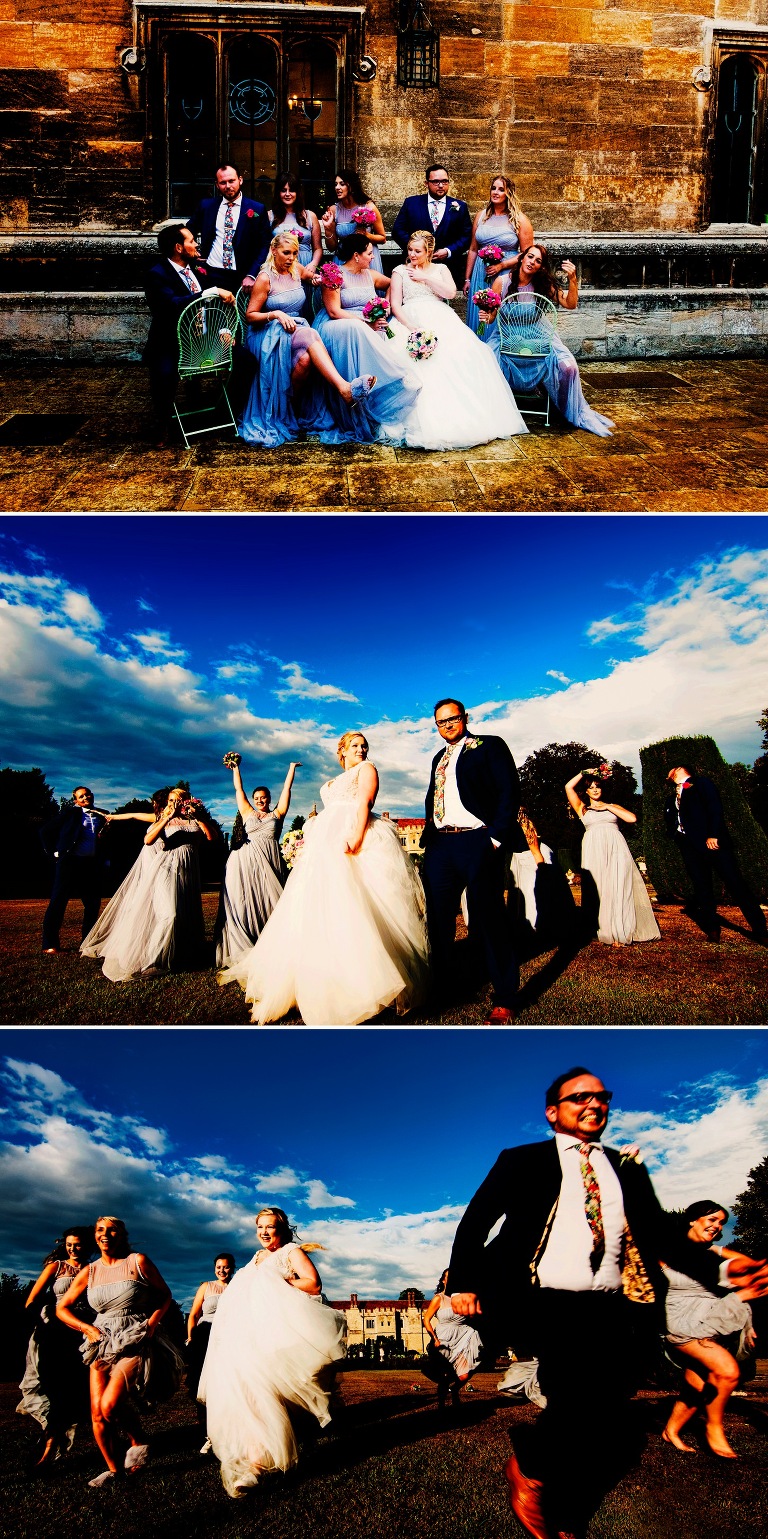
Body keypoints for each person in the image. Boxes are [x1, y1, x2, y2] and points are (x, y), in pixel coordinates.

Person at [447, 1066, 667, 1539]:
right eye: (579, 1097)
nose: (594, 1103)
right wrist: (461, 1283)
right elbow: (475, 1222)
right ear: (553, 1112)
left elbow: (658, 1231)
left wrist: (726, 1268)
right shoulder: (522, 1160)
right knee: (573, 1397)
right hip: (542, 1297)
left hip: (609, 1303)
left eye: (601, 1096)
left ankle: (534, 1460)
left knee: (603, 1405)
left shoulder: (624, 1167)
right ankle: (551, 1497)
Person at [219, 730, 430, 1024]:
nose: (362, 749)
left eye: (364, 745)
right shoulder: (335, 780)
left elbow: (365, 803)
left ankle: (363, 982)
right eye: (355, 745)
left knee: (355, 904)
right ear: (341, 750)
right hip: (324, 844)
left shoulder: (367, 769)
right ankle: (312, 977)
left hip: (352, 837)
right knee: (318, 906)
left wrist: (355, 838)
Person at [198, 1207, 346, 1497]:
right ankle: (258, 1459)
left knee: (261, 1395)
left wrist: (279, 1282)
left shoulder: (290, 1251)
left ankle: (256, 1466)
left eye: (270, 1227)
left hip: (275, 1336)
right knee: (248, 1397)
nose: (265, 1232)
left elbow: (313, 1284)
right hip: (248, 1337)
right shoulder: (256, 1258)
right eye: (260, 1227)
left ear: (282, 1228)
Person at [56, 1215, 183, 1487]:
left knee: (110, 1404)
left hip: (134, 1335)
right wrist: (87, 1329)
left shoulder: (138, 1261)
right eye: (100, 1230)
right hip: (100, 1339)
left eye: (112, 1231)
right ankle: (115, 1471)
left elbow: (165, 1295)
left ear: (122, 1236)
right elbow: (61, 1308)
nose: (105, 1234)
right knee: (97, 1414)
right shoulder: (89, 1271)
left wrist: (151, 1324)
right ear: (95, 1236)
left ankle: (138, 1441)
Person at [422, 698, 520, 1025]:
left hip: (477, 839)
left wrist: (494, 837)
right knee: (437, 922)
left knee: (487, 918)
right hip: (441, 844)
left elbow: (509, 790)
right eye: (441, 722)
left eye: (453, 719)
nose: (447, 725)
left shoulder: (489, 746)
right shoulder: (438, 757)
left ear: (465, 717)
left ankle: (505, 996)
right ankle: (445, 989)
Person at [388, 230, 527, 449]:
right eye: (410, 250)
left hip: (439, 316)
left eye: (417, 251)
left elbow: (450, 293)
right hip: (409, 319)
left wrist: (425, 277)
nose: (412, 255)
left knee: (465, 354)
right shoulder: (399, 271)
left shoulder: (440, 269)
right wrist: (411, 327)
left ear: (429, 252)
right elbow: (395, 304)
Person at [239, 232, 377, 447]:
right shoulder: (265, 278)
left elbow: (313, 278)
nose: (291, 258)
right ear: (273, 251)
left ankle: (289, 408)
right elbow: (250, 316)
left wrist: (323, 278)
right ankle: (343, 388)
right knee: (310, 333)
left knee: (304, 360)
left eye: (295, 253)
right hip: (268, 333)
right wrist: (275, 314)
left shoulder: (296, 269)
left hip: (294, 331)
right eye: (286, 253)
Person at [660, 1200, 768, 1459]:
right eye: (711, 1220)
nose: (717, 1226)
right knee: (727, 1372)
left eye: (720, 1222)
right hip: (681, 1324)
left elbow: (750, 1266)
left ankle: (671, 1431)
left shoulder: (713, 1254)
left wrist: (720, 1251)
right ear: (693, 1219)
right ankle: (714, 1428)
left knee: (696, 1387)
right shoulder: (666, 1249)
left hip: (709, 1321)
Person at [80, 785, 215, 980]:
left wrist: (200, 818)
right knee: (169, 914)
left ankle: (182, 953)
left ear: (188, 800)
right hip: (166, 868)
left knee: (187, 912)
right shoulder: (162, 819)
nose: (175, 803)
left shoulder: (195, 819)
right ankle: (154, 961)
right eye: (171, 800)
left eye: (179, 799)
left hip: (190, 870)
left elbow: (211, 837)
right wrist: (167, 817)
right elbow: (148, 840)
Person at [482, 244, 615, 437]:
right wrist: (487, 316)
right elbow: (492, 316)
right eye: (530, 257)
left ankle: (563, 407)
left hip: (537, 334)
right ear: (522, 258)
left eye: (538, 261)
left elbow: (570, 304)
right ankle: (494, 410)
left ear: (541, 267)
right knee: (485, 362)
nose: (532, 262)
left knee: (568, 367)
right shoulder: (501, 283)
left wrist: (572, 279)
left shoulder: (543, 284)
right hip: (507, 335)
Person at [314, 233, 422, 444]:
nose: (373, 257)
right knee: (356, 328)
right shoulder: (334, 275)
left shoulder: (370, 275)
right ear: (356, 255)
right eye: (369, 253)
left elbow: (393, 283)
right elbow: (334, 311)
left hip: (366, 324)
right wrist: (365, 322)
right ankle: (394, 373)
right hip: (338, 326)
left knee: (371, 330)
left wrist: (386, 307)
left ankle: (380, 392)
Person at [142, 223, 236, 444]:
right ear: (178, 247)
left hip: (206, 339)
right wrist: (209, 292)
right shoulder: (156, 275)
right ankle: (162, 425)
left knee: (248, 359)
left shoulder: (198, 268)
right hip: (171, 343)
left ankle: (228, 412)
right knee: (164, 374)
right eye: (191, 241)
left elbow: (215, 306)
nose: (196, 245)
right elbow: (171, 305)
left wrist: (223, 329)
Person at [17, 1226, 95, 1464]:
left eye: (78, 1244)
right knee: (54, 1385)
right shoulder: (57, 1266)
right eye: (70, 1244)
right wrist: (43, 1320)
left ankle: (55, 1439)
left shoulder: (94, 1270)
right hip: (56, 1329)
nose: (73, 1248)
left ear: (88, 1246)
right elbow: (32, 1299)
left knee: (75, 1389)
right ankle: (51, 1441)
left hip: (84, 1329)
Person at [665, 765, 768, 944]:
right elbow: (672, 818)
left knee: (736, 884)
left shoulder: (702, 784)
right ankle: (712, 929)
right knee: (702, 887)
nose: (667, 776)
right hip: (690, 848)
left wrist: (714, 834)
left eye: (670, 771)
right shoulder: (671, 797)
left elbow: (714, 808)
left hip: (712, 843)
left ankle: (760, 930)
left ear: (680, 769)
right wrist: (677, 837)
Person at [214, 755, 300, 966]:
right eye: (257, 798)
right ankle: (245, 944)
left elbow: (286, 791)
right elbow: (238, 789)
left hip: (268, 863)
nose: (261, 800)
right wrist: (236, 768)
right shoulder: (247, 811)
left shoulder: (277, 814)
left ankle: (271, 945)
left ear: (269, 799)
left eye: (264, 797)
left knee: (271, 901)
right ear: (254, 800)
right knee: (244, 901)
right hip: (243, 862)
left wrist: (291, 769)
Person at [565, 767, 660, 946]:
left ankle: (620, 931)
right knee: (600, 887)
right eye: (591, 787)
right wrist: (583, 772)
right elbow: (568, 787)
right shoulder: (582, 809)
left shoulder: (612, 806)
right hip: (594, 850)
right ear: (586, 791)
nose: (595, 789)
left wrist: (608, 806)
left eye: (598, 786)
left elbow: (632, 818)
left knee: (618, 886)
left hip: (616, 848)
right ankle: (604, 929)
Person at [40, 786, 109, 955]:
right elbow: (45, 831)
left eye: (87, 794)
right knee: (58, 902)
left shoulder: (104, 814)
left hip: (91, 864)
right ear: (76, 801)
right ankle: (50, 943)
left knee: (92, 904)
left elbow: (105, 838)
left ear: (92, 795)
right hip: (69, 863)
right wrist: (54, 853)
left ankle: (87, 942)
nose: (85, 798)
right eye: (81, 796)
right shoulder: (70, 813)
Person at [463, 174, 534, 335]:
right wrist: (467, 278)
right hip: (481, 273)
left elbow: (527, 254)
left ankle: (497, 352)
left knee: (499, 311)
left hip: (505, 273)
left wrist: (502, 265)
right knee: (479, 312)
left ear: (509, 193)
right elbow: (473, 248)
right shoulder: (481, 216)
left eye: (501, 189)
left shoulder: (520, 220)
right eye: (493, 188)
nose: (495, 192)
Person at [189, 163, 270, 292]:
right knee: (213, 312)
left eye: (232, 181)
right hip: (211, 272)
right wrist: (193, 256)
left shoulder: (257, 209)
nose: (228, 186)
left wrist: (252, 274)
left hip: (242, 277)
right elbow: (187, 233)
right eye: (223, 183)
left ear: (240, 180)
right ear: (217, 185)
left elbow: (265, 245)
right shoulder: (206, 206)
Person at [186, 1252, 236, 1453]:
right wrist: (190, 1337)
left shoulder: (237, 1288)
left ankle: (229, 1431)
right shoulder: (206, 1287)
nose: (222, 1270)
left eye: (225, 1267)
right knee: (201, 1385)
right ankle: (209, 1435)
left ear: (232, 1268)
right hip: (204, 1336)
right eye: (218, 1267)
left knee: (227, 1385)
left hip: (229, 1337)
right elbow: (194, 1314)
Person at [392, 165, 473, 286]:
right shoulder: (411, 203)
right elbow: (397, 230)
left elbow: (467, 236)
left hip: (447, 267)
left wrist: (448, 251)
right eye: (436, 181)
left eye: (444, 181)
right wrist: (416, 250)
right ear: (426, 183)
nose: (441, 185)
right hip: (414, 266)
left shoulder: (460, 206)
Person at [507, 807, 576, 949]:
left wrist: (542, 871)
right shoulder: (503, 825)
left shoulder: (525, 827)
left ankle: (540, 930)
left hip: (533, 857)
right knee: (520, 898)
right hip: (519, 859)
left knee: (533, 896)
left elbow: (536, 853)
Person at [422, 1268, 482, 1407]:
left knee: (464, 1375)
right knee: (445, 1375)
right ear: (443, 1280)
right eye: (449, 1277)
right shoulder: (439, 1298)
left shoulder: (463, 1298)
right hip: (443, 1338)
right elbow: (426, 1320)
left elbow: (474, 1316)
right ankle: (442, 1404)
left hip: (462, 1337)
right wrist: (435, 1339)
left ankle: (454, 1390)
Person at [320, 169, 387, 273]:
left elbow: (382, 238)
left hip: (366, 258)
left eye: (342, 184)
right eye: (336, 184)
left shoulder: (369, 207)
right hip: (343, 258)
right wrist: (328, 229)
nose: (337, 187)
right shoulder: (334, 210)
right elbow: (331, 247)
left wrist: (368, 236)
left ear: (351, 186)